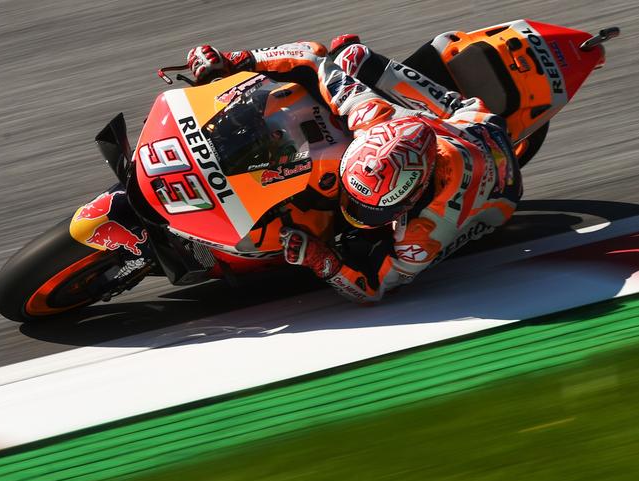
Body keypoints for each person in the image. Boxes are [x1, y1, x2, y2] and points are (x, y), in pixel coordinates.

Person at [186, 36, 522, 303]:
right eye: (355, 197)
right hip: (455, 125)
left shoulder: (426, 229)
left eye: (370, 209)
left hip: (496, 180)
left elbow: (375, 288)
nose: (354, 211)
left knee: (360, 246)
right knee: (350, 56)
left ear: (413, 197)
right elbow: (310, 58)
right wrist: (236, 60)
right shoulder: (373, 116)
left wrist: (323, 262)